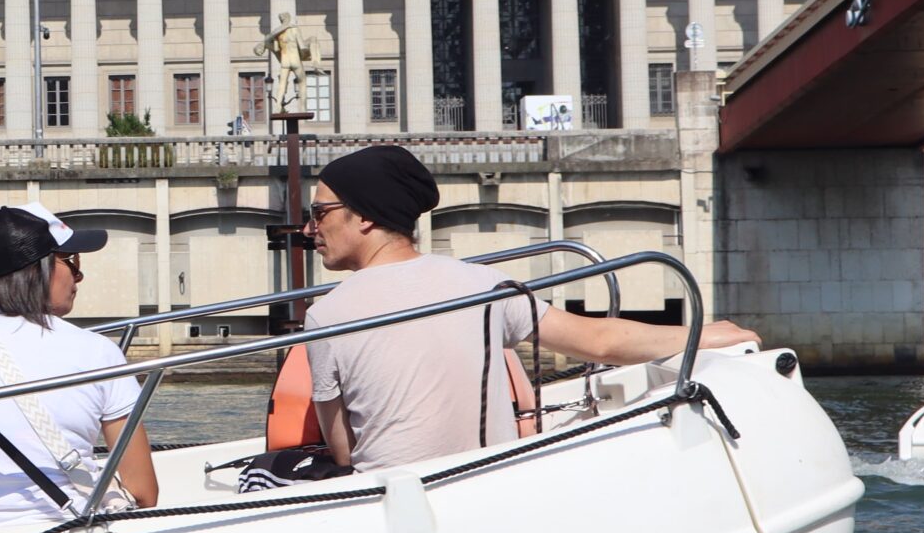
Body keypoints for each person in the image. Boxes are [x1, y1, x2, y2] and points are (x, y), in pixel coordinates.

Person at [305, 145, 759, 472]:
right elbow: (599, 339)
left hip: (391, 503)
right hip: (495, 481)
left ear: (364, 215)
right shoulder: (483, 283)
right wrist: (703, 332)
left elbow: (345, 452)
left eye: (320, 212)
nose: (310, 228)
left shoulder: (327, 314)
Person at [0, 204, 157, 532]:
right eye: (70, 261)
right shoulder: (98, 353)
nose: (79, 275)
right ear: (39, 268)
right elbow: (144, 494)